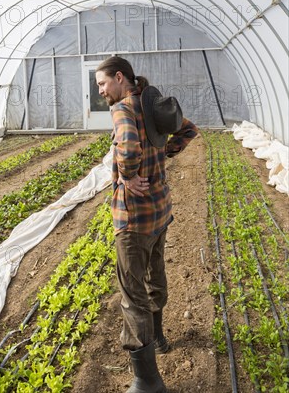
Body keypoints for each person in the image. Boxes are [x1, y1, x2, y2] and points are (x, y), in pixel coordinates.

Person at [96, 56, 198, 393]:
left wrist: (128, 176)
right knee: (156, 274)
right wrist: (165, 153)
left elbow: (126, 146)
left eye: (102, 84)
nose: (101, 92)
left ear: (120, 77)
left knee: (131, 295)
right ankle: (158, 339)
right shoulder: (152, 102)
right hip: (160, 212)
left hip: (134, 219)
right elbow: (188, 129)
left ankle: (147, 381)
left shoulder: (124, 108)